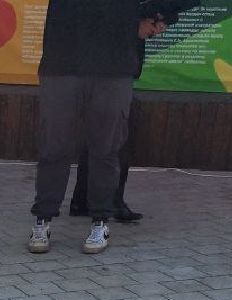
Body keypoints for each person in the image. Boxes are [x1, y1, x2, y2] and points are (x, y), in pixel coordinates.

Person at [26, 0, 144, 256]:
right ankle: (43, 220)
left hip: (114, 65)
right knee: (53, 148)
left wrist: (161, 16)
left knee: (105, 150)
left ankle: (100, 222)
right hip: (62, 63)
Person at [69, 1, 181, 223]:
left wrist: (160, 17)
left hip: (107, 62)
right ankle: (108, 201)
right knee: (113, 138)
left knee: (102, 136)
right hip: (111, 64)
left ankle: (85, 200)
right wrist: (146, 19)